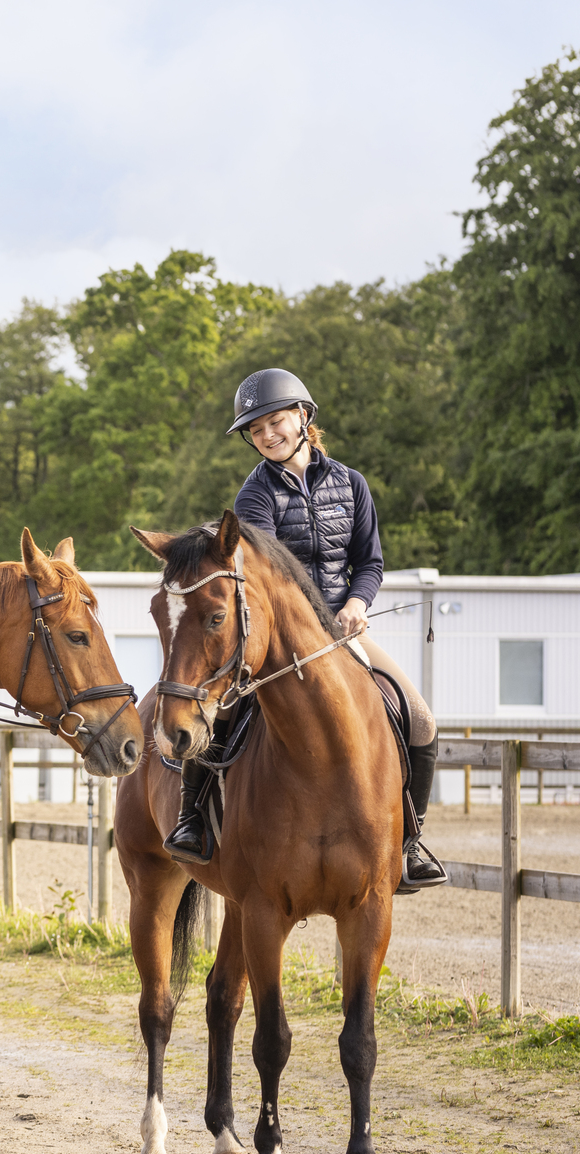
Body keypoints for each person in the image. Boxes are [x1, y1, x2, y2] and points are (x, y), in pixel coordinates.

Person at [165, 368, 447, 893]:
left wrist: (358, 603)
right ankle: (193, 818)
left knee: (421, 718)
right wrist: (313, 621)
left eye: (275, 421)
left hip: (346, 630)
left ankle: (409, 842)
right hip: (281, 637)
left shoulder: (352, 484)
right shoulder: (254, 499)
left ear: (303, 417)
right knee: (218, 707)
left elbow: (370, 561)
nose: (268, 435)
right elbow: (272, 577)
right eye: (256, 430)